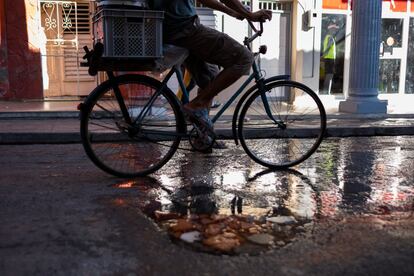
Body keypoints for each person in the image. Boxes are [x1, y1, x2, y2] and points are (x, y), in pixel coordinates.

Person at [152, 0, 272, 138]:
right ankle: (196, 104)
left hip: (172, 31)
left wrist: (233, 11)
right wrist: (249, 14)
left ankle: (203, 136)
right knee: (245, 58)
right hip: (186, 29)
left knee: (209, 78)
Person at [321, 22, 338, 94]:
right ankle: (327, 92)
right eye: (334, 29)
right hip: (330, 59)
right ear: (330, 30)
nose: (335, 31)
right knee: (329, 76)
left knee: (328, 75)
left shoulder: (328, 37)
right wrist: (323, 56)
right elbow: (327, 48)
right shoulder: (330, 37)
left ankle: (326, 91)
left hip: (328, 59)